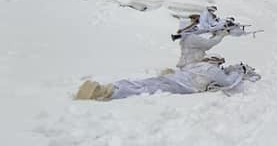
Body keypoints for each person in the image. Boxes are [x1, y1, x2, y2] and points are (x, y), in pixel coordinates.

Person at [75, 55, 258, 101]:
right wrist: (239, 72)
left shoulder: (204, 67)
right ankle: (109, 90)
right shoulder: (208, 68)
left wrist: (237, 72)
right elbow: (228, 82)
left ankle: (108, 90)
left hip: (179, 82)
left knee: (147, 86)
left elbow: (226, 82)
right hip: (180, 83)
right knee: (147, 86)